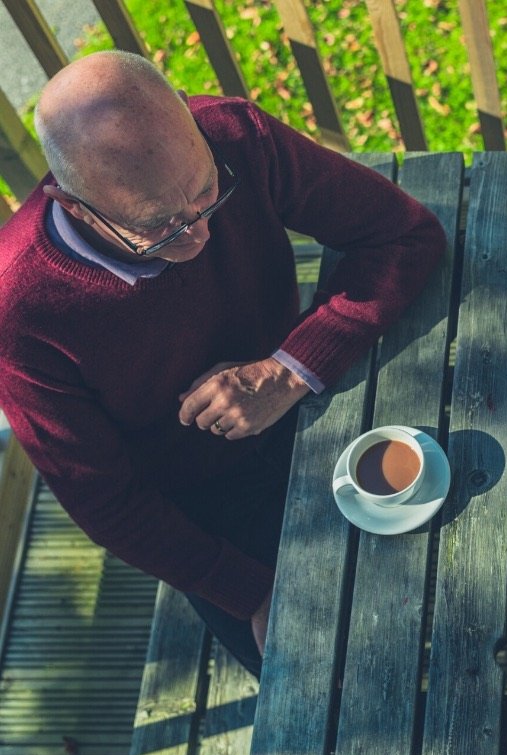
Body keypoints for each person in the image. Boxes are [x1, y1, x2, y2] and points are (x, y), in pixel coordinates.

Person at [0, 51, 445, 676]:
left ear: (187, 114)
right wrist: (252, 594)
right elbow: (107, 502)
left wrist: (289, 370)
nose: (198, 236)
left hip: (318, 402)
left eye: (208, 192)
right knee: (339, 683)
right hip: (202, 505)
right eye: (158, 227)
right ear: (75, 206)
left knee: (459, 574)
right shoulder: (18, 308)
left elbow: (403, 234)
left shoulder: (236, 133)